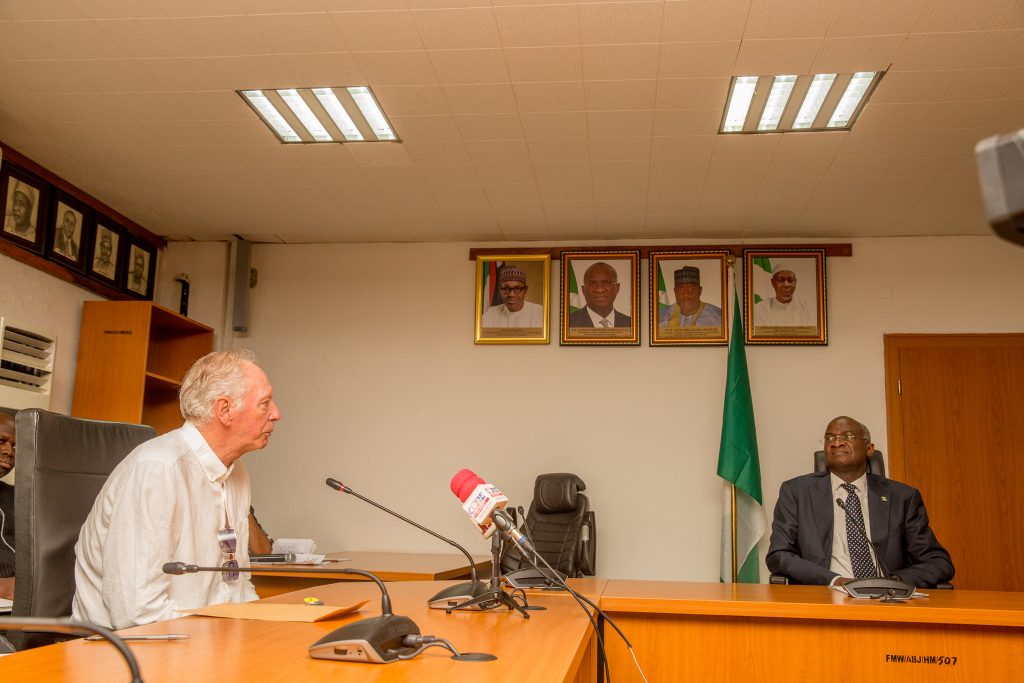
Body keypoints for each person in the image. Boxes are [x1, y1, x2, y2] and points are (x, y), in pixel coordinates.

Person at [72, 349, 281, 629]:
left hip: (200, 642)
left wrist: (262, 630)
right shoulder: (157, 469)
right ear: (225, 410)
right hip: (123, 652)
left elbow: (237, 583)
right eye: (265, 403)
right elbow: (136, 614)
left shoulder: (237, 472)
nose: (276, 414)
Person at [766, 416, 954, 588]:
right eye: (830, 438)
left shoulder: (902, 497)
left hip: (887, 599)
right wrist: (834, 580)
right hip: (826, 596)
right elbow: (779, 555)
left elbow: (938, 562)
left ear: (869, 448)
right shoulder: (796, 493)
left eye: (847, 436)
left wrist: (891, 582)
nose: (837, 443)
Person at [568, 262, 630, 328]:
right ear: (583, 290)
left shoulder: (630, 324)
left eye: (606, 283)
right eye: (593, 283)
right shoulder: (568, 323)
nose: (599, 289)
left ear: (617, 288)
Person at [480, 265, 544, 328]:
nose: (511, 294)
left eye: (517, 289)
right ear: (500, 290)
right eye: (506, 289)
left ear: (525, 290)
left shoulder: (539, 313)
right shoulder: (490, 313)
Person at [658, 266, 722, 329]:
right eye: (680, 290)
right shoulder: (662, 316)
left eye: (691, 289)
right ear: (675, 292)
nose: (685, 294)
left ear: (700, 290)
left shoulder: (717, 317)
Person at [753, 262, 814, 327]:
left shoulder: (807, 309)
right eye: (781, 280)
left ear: (795, 282)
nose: (786, 285)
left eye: (790, 280)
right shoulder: (760, 309)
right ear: (773, 282)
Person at [0, 413, 15, 600]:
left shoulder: (19, 498)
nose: (9, 452)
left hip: (19, 608)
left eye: (14, 446)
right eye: (1, 441)